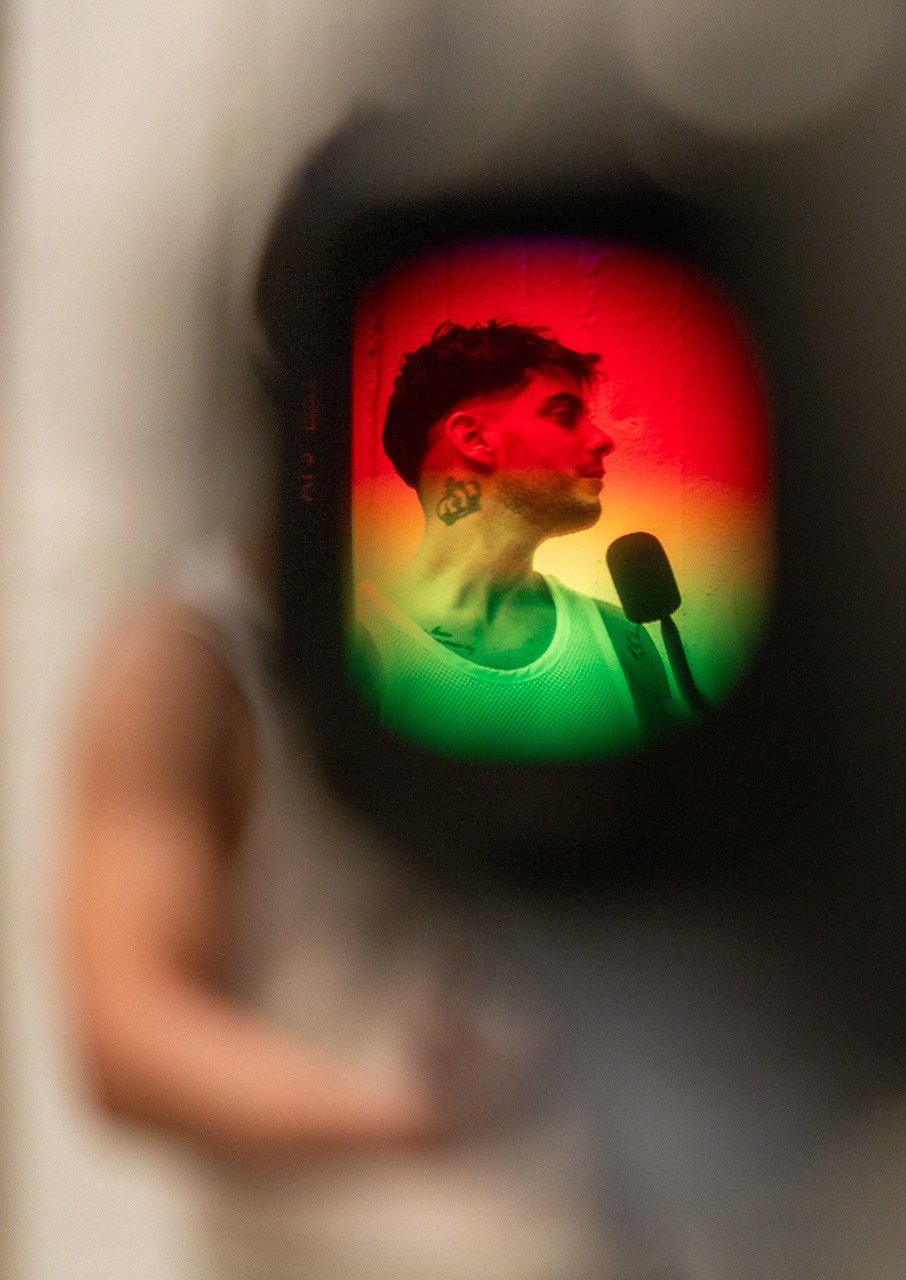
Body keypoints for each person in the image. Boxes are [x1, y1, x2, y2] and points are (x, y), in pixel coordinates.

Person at [68, 540, 618, 1280]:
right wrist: (411, 1119)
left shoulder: (602, 630)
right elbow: (128, 1035)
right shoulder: (197, 654)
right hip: (323, 1252)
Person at [353, 320, 680, 761]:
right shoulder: (353, 645)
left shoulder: (623, 639)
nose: (603, 441)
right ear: (474, 438)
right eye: (564, 415)